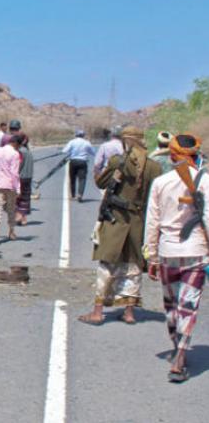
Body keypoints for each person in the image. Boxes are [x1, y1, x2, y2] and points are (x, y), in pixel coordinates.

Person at [78, 126, 161, 326]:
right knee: (133, 266)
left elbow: (100, 183)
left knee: (107, 264)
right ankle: (129, 312)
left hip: (115, 218)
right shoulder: (155, 168)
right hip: (138, 221)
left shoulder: (118, 162)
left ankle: (98, 312)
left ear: (126, 141)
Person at [145, 134, 208, 382]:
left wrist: (151, 255)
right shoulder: (206, 181)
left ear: (172, 156)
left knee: (171, 306)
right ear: (195, 155)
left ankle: (177, 348)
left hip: (168, 252)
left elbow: (153, 221)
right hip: (196, 253)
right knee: (188, 306)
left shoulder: (161, 183)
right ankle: (181, 354)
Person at [0, 134, 22, 244]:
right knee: (11, 209)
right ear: (16, 143)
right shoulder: (15, 154)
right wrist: (18, 188)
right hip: (10, 185)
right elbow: (14, 173)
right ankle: (11, 232)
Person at [63, 129, 96, 201]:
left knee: (72, 178)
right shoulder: (87, 143)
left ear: (76, 135)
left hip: (73, 161)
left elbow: (64, 151)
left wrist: (71, 152)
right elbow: (93, 152)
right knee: (82, 179)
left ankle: (73, 195)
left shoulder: (72, 142)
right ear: (83, 135)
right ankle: (80, 194)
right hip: (82, 162)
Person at [16, 133, 34, 225]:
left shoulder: (20, 151)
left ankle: (19, 216)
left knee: (17, 198)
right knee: (25, 198)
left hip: (20, 177)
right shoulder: (28, 151)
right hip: (28, 177)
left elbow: (18, 165)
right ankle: (24, 219)